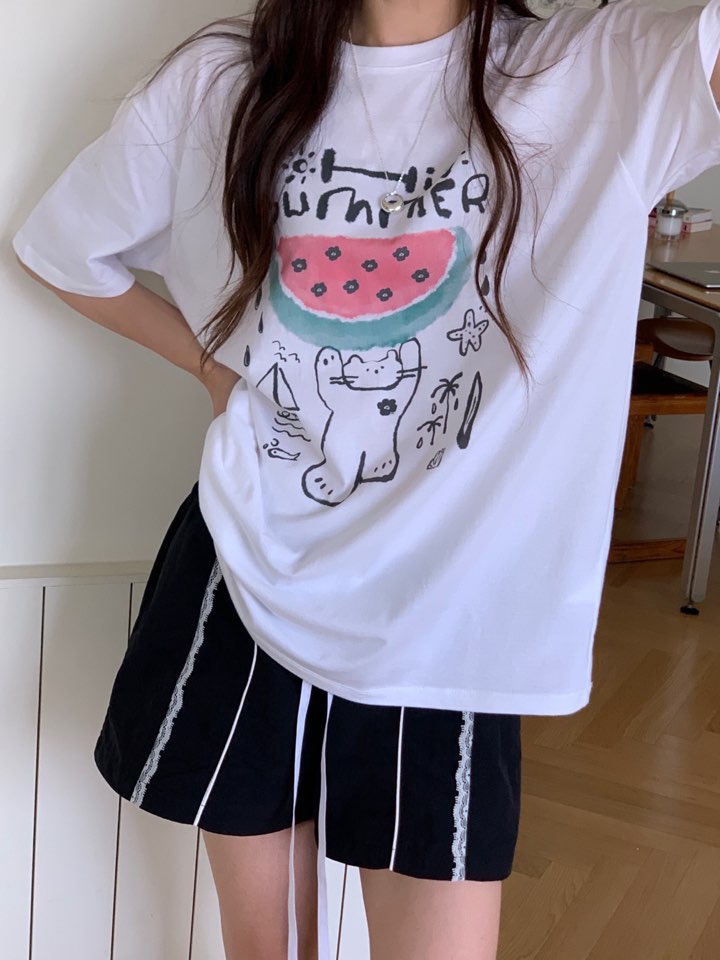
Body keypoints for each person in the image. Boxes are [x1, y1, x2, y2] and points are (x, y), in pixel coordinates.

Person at [12, 0, 720, 956]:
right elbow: (63, 250)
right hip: (252, 567)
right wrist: (213, 366)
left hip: (449, 622)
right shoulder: (222, 80)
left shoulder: (604, 71)